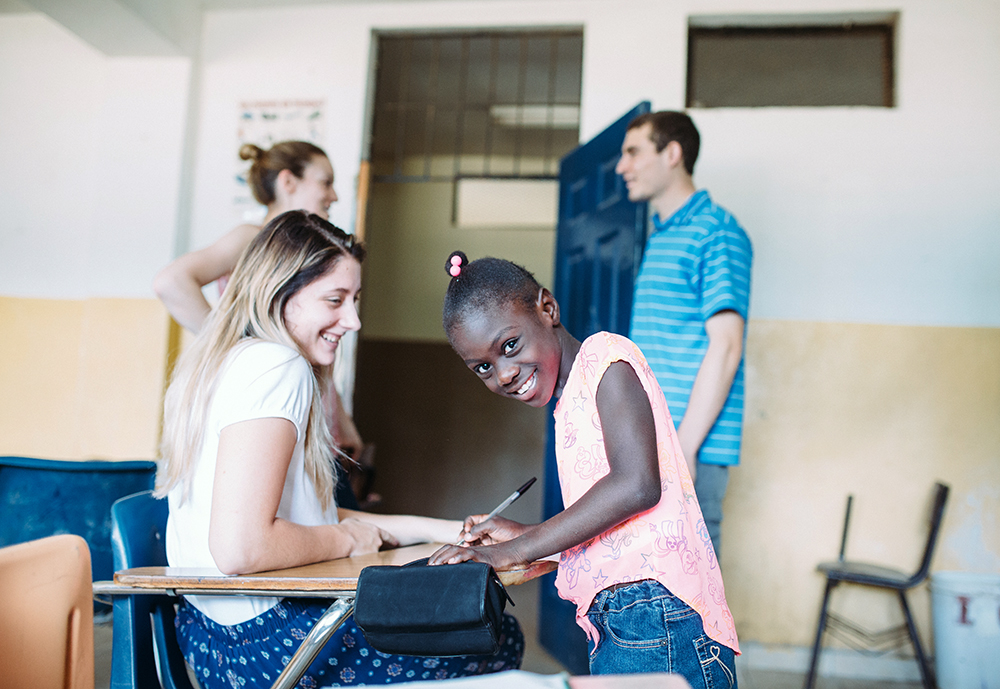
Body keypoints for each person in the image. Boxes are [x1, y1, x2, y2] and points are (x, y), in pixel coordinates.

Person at [154, 215, 523, 689]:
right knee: (498, 639)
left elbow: (312, 520)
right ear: (279, 292)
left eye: (354, 300)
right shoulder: (276, 367)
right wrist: (350, 541)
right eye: (335, 300)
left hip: (215, 642)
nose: (352, 321)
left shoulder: (225, 362)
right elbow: (242, 548)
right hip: (275, 646)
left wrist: (450, 531)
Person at [430, 252, 738, 687]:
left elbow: (636, 486)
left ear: (547, 309)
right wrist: (521, 534)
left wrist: (514, 551)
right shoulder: (568, 400)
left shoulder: (607, 358)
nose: (502, 374)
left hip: (658, 612)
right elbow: (614, 532)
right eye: (483, 367)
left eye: (509, 346)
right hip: (627, 614)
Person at [153, 140, 371, 506]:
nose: (333, 194)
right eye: (325, 181)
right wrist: (231, 345)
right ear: (288, 182)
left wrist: (342, 421)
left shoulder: (319, 258)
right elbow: (170, 281)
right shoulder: (252, 239)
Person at [615, 111, 752, 558]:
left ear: (672, 153)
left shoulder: (716, 231)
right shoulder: (662, 236)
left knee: (694, 597)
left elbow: (727, 345)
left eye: (633, 152)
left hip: (689, 447)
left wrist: (685, 447)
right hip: (654, 443)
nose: (622, 167)